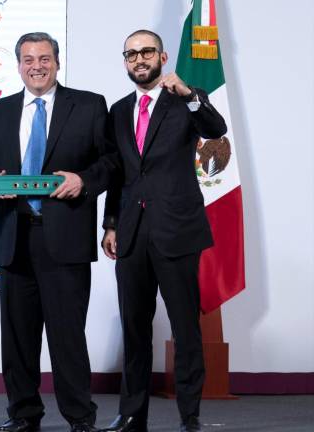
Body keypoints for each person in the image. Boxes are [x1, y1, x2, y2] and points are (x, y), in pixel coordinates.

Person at [0, 32, 113, 432]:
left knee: (68, 336)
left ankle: (80, 418)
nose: (37, 66)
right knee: (18, 337)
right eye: (28, 59)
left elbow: (110, 162)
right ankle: (24, 415)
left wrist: (83, 180)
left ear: (57, 62)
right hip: (14, 237)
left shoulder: (88, 105)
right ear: (18, 66)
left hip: (66, 238)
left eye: (44, 58)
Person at [100, 30, 227, 432]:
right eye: (131, 54)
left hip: (177, 230)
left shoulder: (184, 100)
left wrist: (190, 95)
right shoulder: (118, 111)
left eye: (146, 52)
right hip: (131, 233)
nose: (139, 59)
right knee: (135, 329)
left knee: (185, 328)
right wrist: (110, 224)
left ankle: (190, 416)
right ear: (125, 61)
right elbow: (118, 173)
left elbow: (216, 128)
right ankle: (132, 414)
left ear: (162, 56)